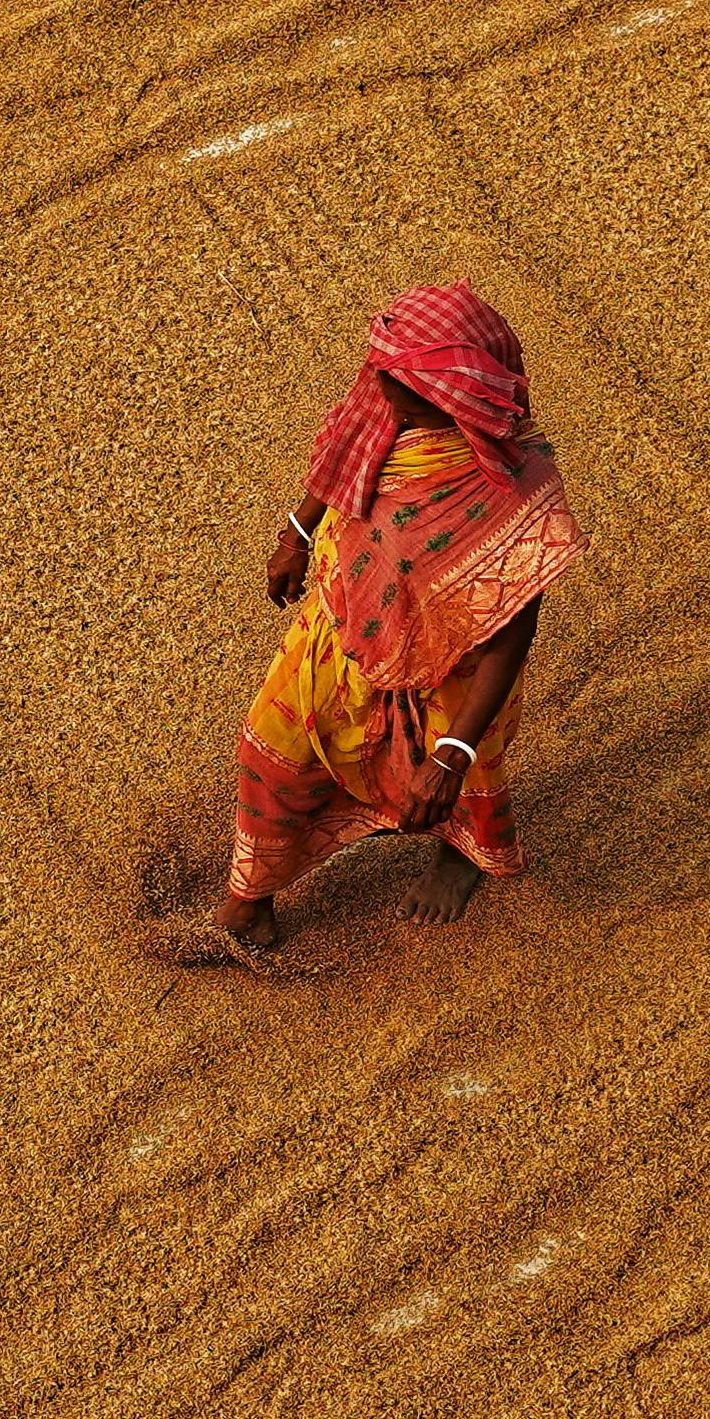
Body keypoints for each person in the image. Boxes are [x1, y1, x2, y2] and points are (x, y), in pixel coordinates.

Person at [210, 284, 586, 958]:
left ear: (450, 397)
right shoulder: (387, 409)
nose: (376, 388)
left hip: (456, 675)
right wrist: (299, 531)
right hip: (339, 632)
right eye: (378, 370)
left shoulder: (517, 491)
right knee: (274, 755)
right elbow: (344, 456)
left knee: (454, 788)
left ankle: (460, 858)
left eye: (395, 381)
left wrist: (454, 753)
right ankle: (249, 898)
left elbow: (509, 643)